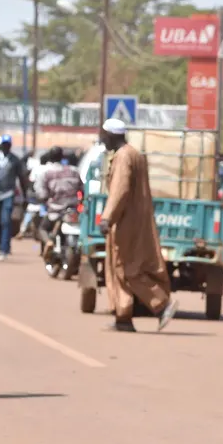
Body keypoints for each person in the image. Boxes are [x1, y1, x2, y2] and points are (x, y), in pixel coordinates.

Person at [98, 119, 179, 333]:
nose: (102, 139)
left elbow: (120, 190)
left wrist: (107, 217)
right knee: (119, 267)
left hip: (126, 221)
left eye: (104, 135)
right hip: (130, 219)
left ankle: (161, 304)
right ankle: (123, 317)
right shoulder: (132, 153)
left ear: (112, 136)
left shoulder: (124, 157)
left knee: (128, 267)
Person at [36, 147, 84, 253]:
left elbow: (42, 193)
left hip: (55, 209)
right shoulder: (74, 171)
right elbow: (82, 189)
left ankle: (48, 242)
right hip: (72, 209)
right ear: (62, 157)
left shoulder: (46, 173)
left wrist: (45, 200)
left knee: (42, 228)